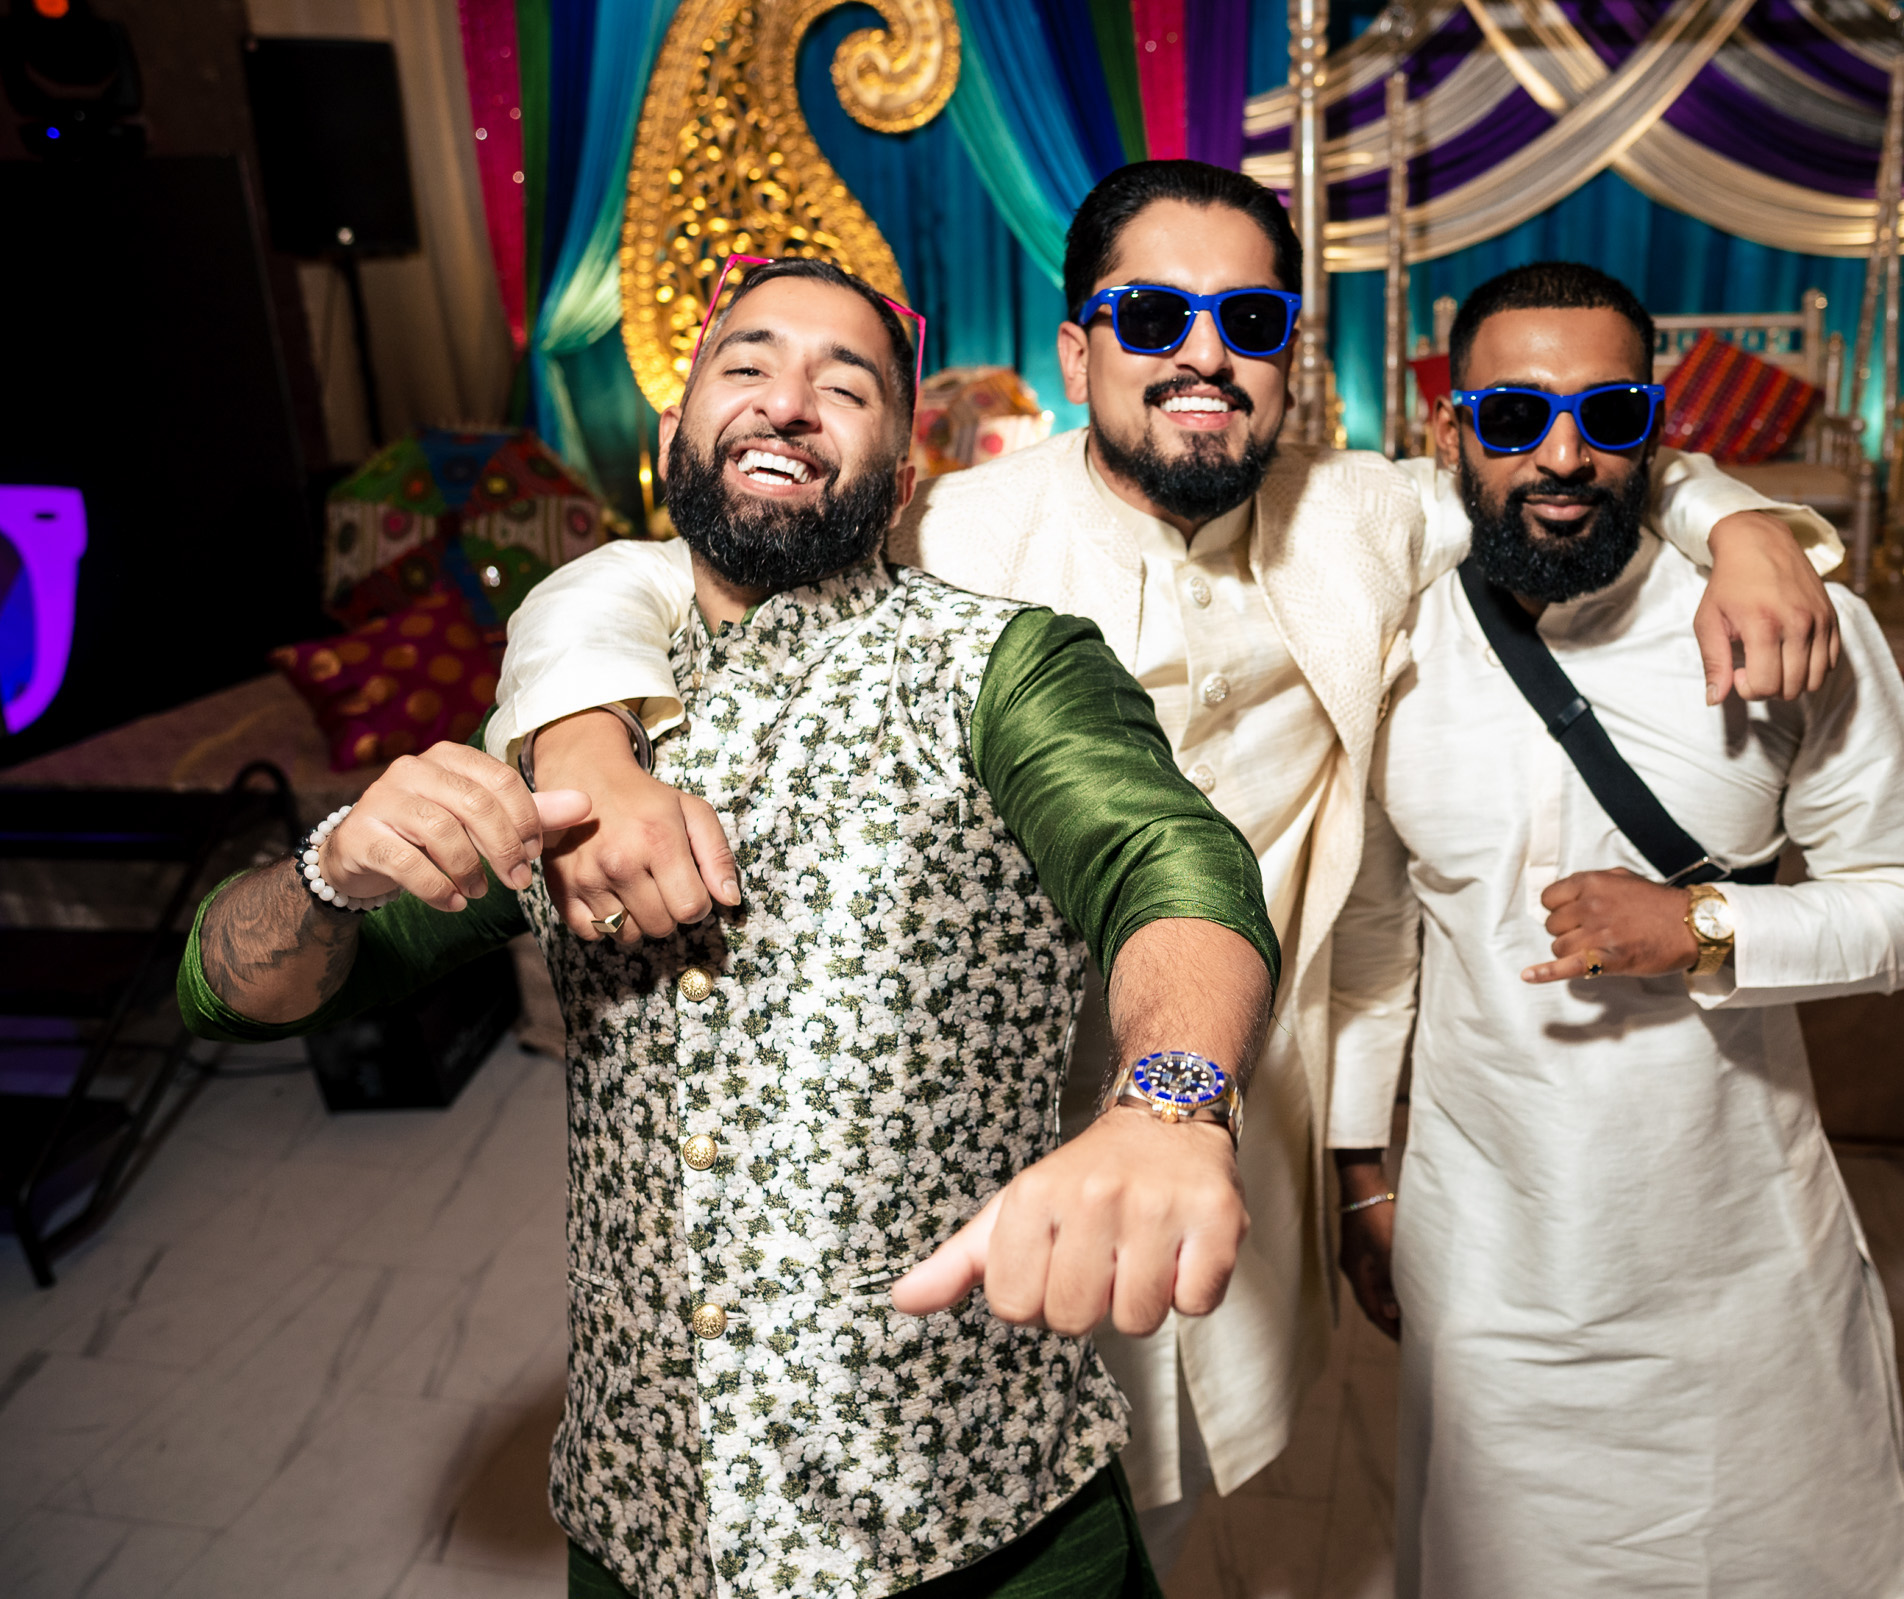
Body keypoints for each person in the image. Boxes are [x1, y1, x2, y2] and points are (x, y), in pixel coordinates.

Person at [476, 161, 1848, 1567]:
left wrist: (1742, 526)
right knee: (967, 1506)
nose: (1205, 353)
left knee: (1175, 1503)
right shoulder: (952, 527)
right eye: (1153, 314)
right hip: (965, 1152)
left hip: (1218, 1122)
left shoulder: (1363, 514)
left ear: (1290, 359)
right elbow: (647, 570)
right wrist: (580, 733)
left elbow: (1568, 455)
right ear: (1079, 352)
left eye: (1249, 321)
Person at [178, 256, 1285, 1599]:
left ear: (906, 465)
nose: (789, 403)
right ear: (673, 435)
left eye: (847, 383)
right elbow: (232, 990)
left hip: (979, 1519)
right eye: (746, 365)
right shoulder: (564, 719)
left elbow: (1173, 865)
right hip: (645, 1518)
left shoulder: (1004, 667)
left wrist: (1170, 1100)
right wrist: (335, 867)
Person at [1327, 261, 1904, 1598]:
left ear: (1658, 433)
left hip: (1732, 1244)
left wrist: (1706, 926)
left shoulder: (1794, 623)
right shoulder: (1392, 627)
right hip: (1488, 1238)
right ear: (1447, 432)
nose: (1561, 457)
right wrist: (1360, 1179)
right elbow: (1379, 941)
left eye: (1607, 415)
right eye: (1511, 417)